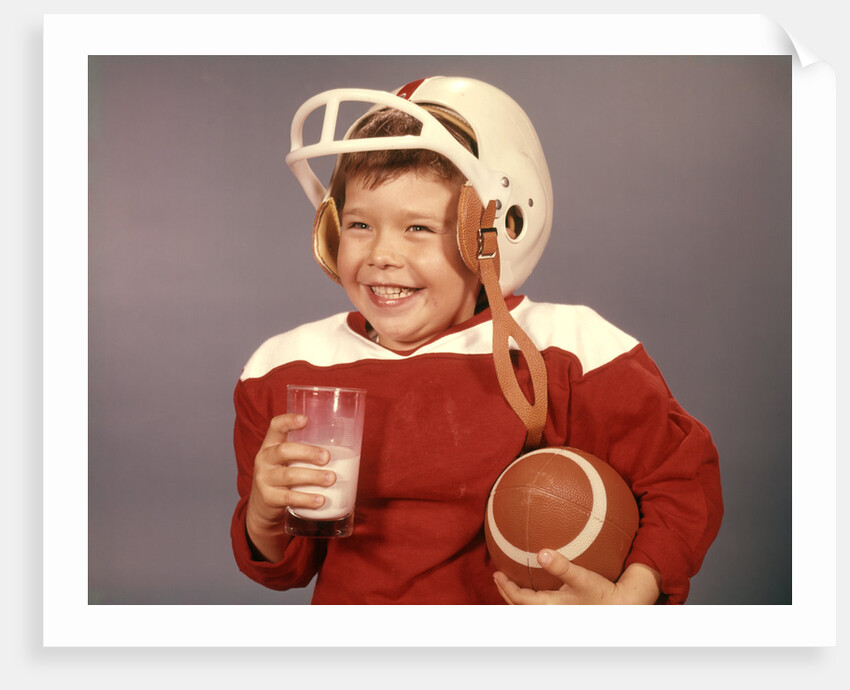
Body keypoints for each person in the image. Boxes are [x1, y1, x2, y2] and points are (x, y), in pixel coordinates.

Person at [230, 76, 723, 604]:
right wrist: (264, 512)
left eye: (417, 228)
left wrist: (632, 594)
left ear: (490, 230)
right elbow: (283, 568)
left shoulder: (567, 352)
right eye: (358, 224)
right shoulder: (287, 369)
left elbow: (681, 478)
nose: (380, 256)